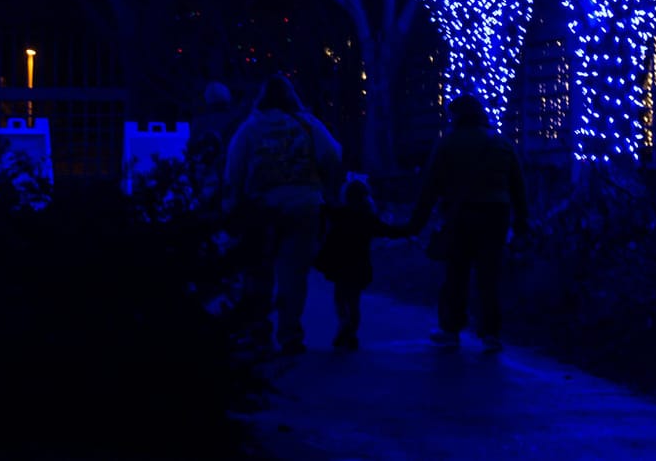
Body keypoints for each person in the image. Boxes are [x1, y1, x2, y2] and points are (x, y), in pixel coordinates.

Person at [223, 74, 343, 354]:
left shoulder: (250, 129)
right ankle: (290, 335)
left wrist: (234, 207)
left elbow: (234, 170)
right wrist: (327, 189)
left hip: (261, 208)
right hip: (304, 204)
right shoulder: (308, 124)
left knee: (258, 272)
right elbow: (333, 155)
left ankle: (258, 332)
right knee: (293, 274)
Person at [397, 93, 527, 352]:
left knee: (456, 272)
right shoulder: (501, 142)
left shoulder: (448, 143)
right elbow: (518, 186)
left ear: (455, 116)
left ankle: (451, 328)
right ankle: (491, 332)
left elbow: (430, 185)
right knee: (489, 274)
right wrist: (522, 222)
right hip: (496, 214)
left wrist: (415, 224)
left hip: (461, 214)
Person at [314, 176, 390, 350]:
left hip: (341, 264)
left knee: (340, 298)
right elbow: (389, 231)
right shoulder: (369, 218)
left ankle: (343, 321)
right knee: (354, 301)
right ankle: (352, 333)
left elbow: (324, 209)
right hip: (360, 265)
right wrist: (410, 229)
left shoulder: (340, 214)